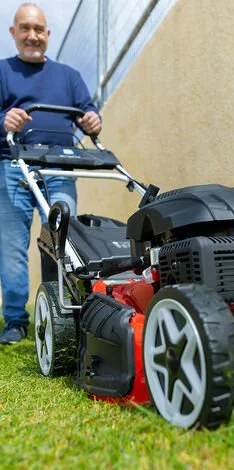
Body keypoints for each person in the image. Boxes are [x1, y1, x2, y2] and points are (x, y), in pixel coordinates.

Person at [0, 3, 102, 344]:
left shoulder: (69, 76)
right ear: (13, 32)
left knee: (62, 239)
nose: (33, 36)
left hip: (58, 165)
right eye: (25, 28)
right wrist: (4, 120)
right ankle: (16, 320)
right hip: (12, 164)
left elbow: (87, 111)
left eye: (39, 29)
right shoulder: (2, 71)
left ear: (48, 34)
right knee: (12, 246)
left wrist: (92, 119)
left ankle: (65, 310)